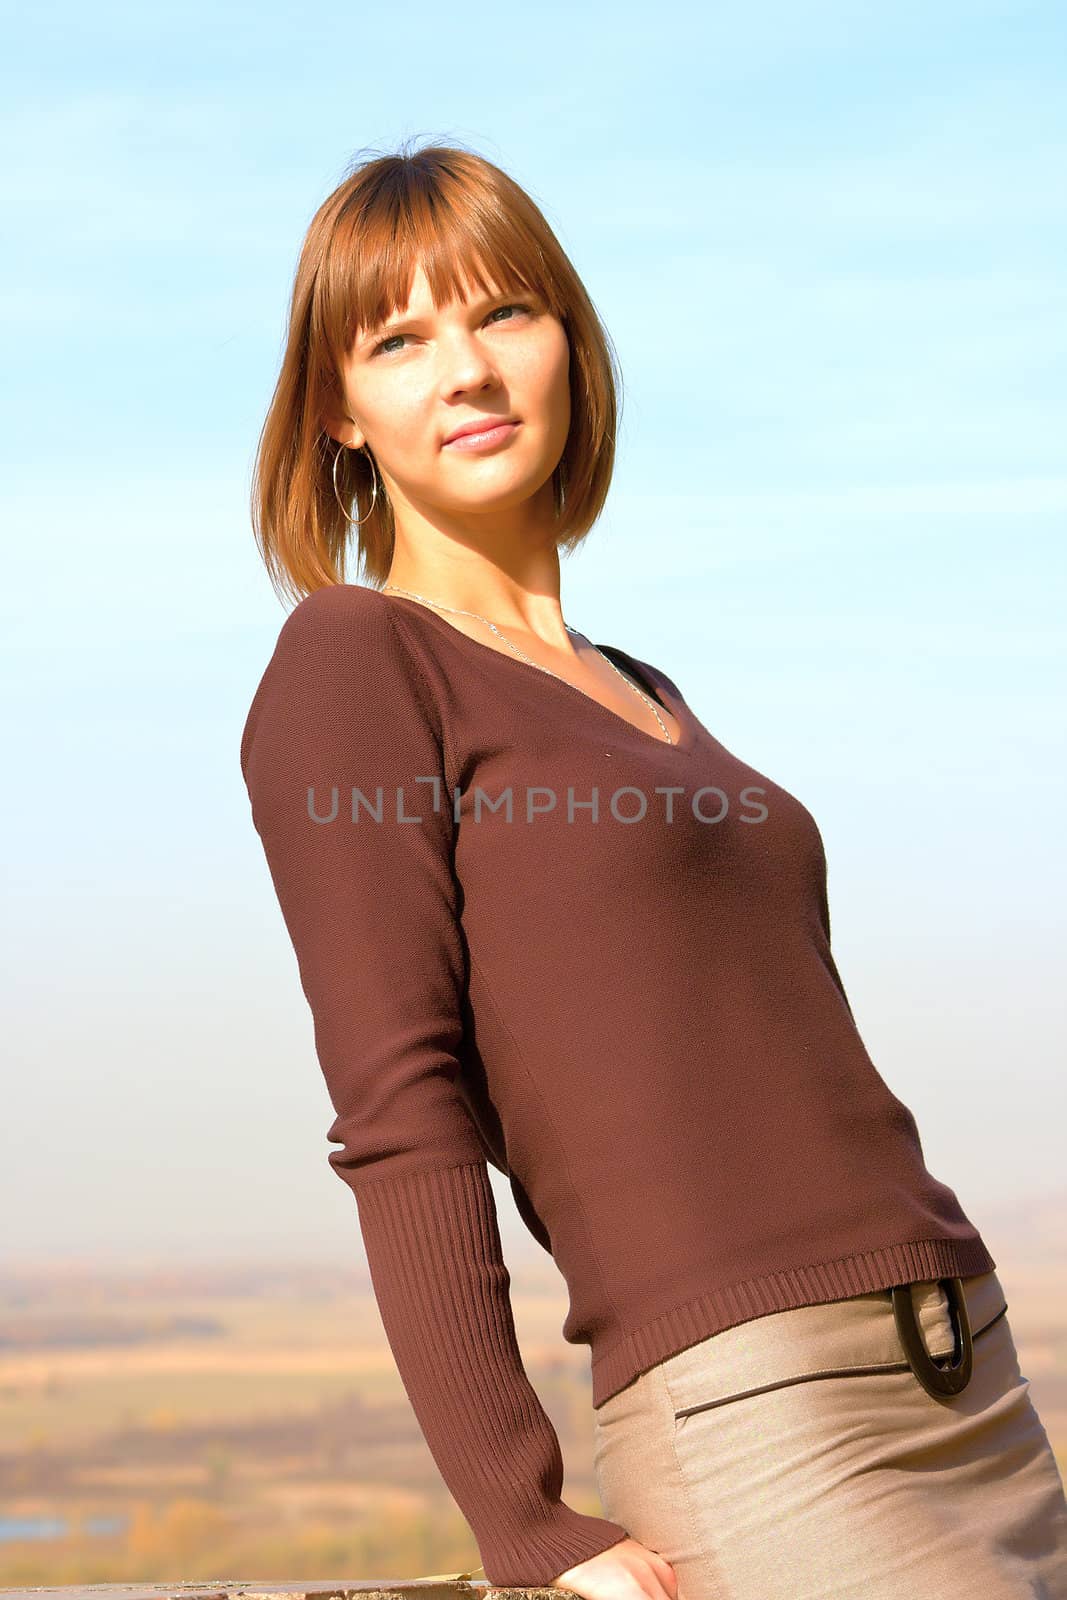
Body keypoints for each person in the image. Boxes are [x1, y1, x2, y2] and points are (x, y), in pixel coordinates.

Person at [239, 140, 1067, 1600]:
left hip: (969, 1373)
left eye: (504, 314)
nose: (470, 372)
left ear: (569, 341)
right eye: (400, 339)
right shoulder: (353, 663)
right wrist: (523, 1516)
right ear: (339, 412)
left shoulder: (644, 688)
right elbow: (397, 1102)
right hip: (763, 1414)